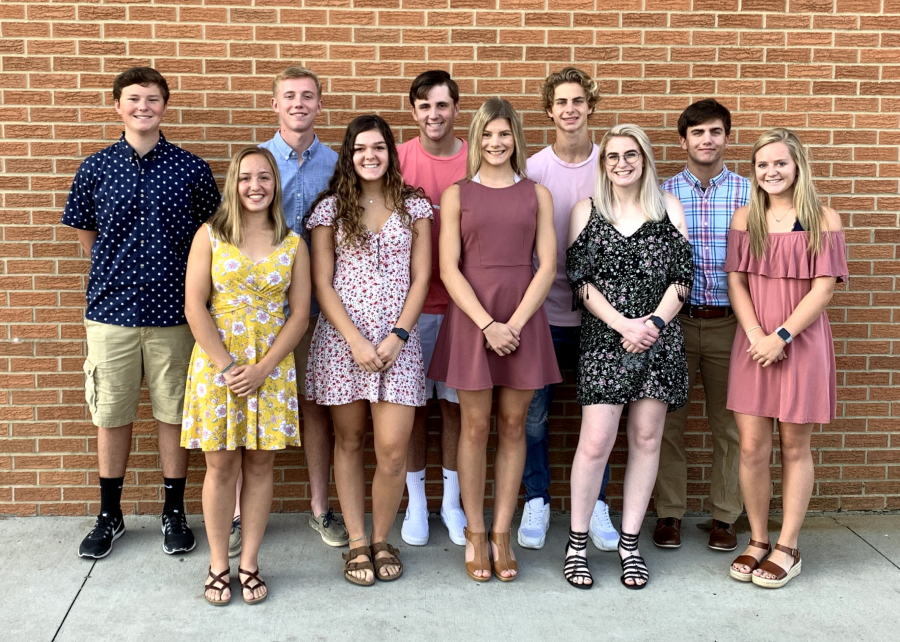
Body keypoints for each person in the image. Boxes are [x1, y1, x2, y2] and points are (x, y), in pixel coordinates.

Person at [62, 67, 220, 560]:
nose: (143, 106)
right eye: (133, 98)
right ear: (118, 106)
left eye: (152, 99)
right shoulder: (95, 168)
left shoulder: (192, 170)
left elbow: (210, 242)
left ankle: (173, 512)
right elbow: (90, 236)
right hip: (111, 313)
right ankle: (110, 514)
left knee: (173, 412)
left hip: (176, 315)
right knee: (111, 414)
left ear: (164, 107)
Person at [428, 98, 561, 582]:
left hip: (524, 319)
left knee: (514, 426)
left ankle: (503, 533)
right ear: (477, 139)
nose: (496, 143)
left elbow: (546, 265)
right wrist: (488, 324)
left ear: (516, 138)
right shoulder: (457, 194)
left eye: (504, 134)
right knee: (474, 427)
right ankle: (477, 532)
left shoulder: (538, 194)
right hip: (473, 320)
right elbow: (448, 268)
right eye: (487, 135)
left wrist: (516, 324)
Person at [564, 124, 693, 590]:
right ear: (604, 164)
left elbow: (683, 278)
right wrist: (623, 325)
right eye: (613, 156)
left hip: (658, 343)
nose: (622, 163)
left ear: (645, 159)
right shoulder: (587, 211)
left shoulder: (669, 208)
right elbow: (579, 281)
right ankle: (577, 544)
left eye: (631, 155)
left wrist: (653, 325)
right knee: (595, 443)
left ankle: (630, 543)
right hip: (605, 342)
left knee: (645, 439)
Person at [306, 115, 432, 586]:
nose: (370, 156)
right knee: (349, 440)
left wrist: (397, 335)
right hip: (344, 343)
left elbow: (422, 277)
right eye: (360, 149)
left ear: (390, 152)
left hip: (398, 342)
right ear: (348, 154)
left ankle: (383, 538)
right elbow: (322, 281)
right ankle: (357, 541)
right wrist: (356, 340)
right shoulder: (330, 209)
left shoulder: (414, 206)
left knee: (393, 450)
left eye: (378, 147)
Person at [182, 146, 310, 605]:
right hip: (219, 367)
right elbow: (195, 306)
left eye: (265, 177)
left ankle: (250, 562)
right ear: (233, 184)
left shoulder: (294, 242)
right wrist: (230, 367)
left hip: (270, 368)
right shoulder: (210, 235)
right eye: (245, 178)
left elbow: (299, 316)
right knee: (220, 465)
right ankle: (219, 563)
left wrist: (262, 368)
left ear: (276, 185)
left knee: (260, 464)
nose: (255, 186)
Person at [726, 128, 846, 589]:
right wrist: (757, 332)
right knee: (753, 447)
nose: (771, 172)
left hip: (801, 344)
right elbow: (737, 281)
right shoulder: (745, 219)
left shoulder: (822, 219)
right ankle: (757, 539)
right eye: (762, 165)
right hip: (752, 344)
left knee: (795, 446)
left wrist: (781, 335)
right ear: (753, 172)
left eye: (780, 163)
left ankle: (788, 545)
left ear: (798, 167)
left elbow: (824, 286)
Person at [519, 67, 619, 553]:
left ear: (590, 107)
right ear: (550, 110)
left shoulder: (614, 163)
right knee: (534, 417)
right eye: (561, 102)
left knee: (596, 420)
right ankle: (536, 498)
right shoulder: (534, 168)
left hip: (603, 319)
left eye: (578, 101)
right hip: (542, 314)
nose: (570, 109)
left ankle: (595, 503)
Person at [653, 99, 750, 552]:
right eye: (697, 133)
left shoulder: (751, 194)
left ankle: (725, 516)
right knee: (667, 422)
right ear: (683, 140)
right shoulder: (663, 194)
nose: (706, 140)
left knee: (728, 426)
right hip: (675, 323)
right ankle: (669, 513)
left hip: (731, 324)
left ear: (727, 137)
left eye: (714, 132)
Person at [258, 66, 348, 548]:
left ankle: (319, 507)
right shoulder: (257, 162)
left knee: (315, 408)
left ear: (319, 105)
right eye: (289, 96)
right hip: (262, 313)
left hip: (318, 311)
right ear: (274, 104)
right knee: (252, 403)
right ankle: (238, 513)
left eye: (307, 96)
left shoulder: (337, 165)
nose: (298, 103)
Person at [396, 70, 468, 547]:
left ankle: (452, 501)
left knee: (458, 407)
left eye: (442, 105)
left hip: (465, 305)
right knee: (416, 408)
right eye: (424, 106)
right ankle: (418, 502)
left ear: (455, 109)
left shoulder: (476, 157)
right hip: (412, 306)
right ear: (414, 110)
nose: (433, 114)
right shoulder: (398, 158)